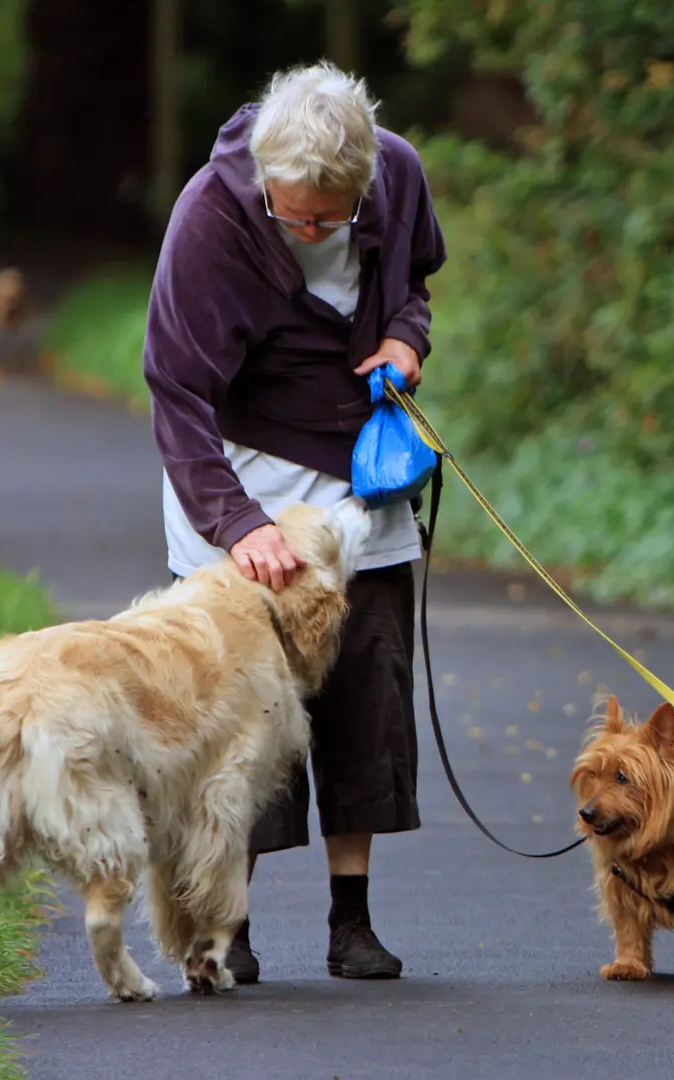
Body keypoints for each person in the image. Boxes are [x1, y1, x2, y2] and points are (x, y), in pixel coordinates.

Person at [143, 60, 447, 983]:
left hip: (362, 480)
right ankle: (229, 926)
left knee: (365, 683)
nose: (312, 229)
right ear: (264, 180)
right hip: (240, 474)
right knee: (242, 714)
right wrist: (239, 526)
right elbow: (177, 389)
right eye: (296, 215)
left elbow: (415, 288)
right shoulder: (210, 215)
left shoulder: (394, 171)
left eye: (330, 216)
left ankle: (351, 920)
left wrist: (405, 340)